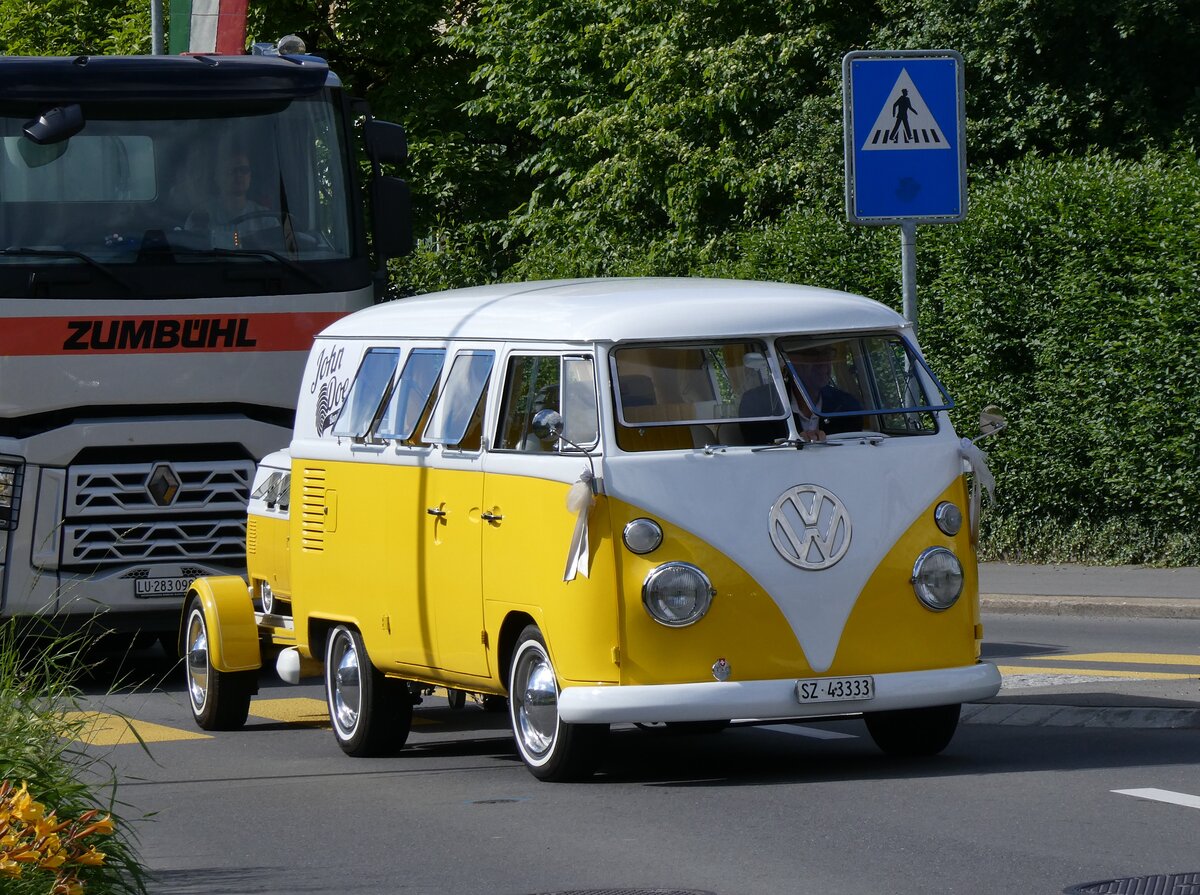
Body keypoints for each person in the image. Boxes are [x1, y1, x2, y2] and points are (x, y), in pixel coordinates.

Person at [738, 343, 863, 443]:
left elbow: (854, 449)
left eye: (827, 353)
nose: (823, 362)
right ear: (787, 359)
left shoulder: (847, 406)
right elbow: (758, 451)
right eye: (812, 353)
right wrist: (793, 444)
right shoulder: (757, 404)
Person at [184, 147, 272, 247]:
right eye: (231, 170)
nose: (239, 175)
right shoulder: (200, 217)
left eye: (243, 170)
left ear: (250, 176)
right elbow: (189, 251)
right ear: (217, 177)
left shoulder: (266, 219)